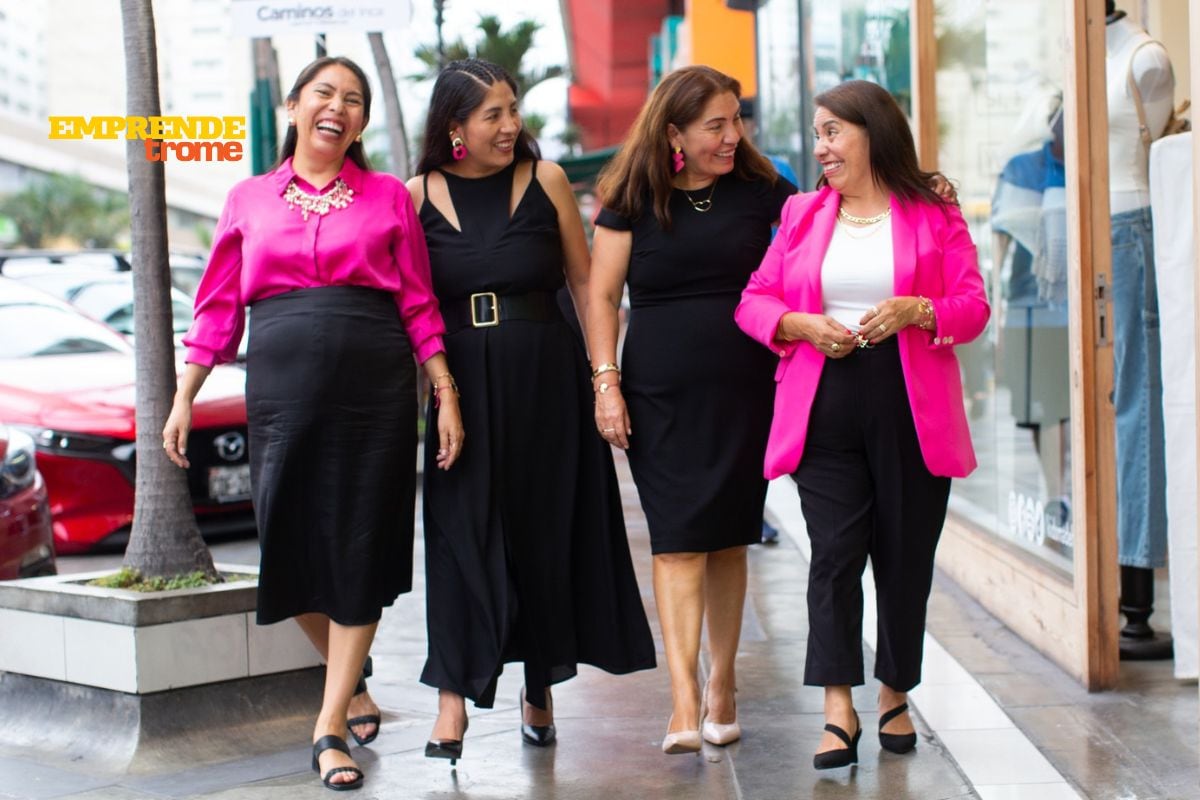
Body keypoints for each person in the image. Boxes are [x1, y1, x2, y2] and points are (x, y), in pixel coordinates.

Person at [163, 56, 463, 792]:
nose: (339, 107)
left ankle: (327, 728)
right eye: (325, 93)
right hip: (282, 389)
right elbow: (217, 310)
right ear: (294, 106)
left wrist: (444, 390)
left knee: (361, 546)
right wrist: (184, 395)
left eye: (354, 100)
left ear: (362, 121)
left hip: (375, 391)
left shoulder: (388, 197)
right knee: (290, 555)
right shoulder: (248, 200)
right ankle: (350, 676)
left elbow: (419, 304)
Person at [407, 58, 655, 765]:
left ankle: (540, 683)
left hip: (547, 380)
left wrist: (604, 377)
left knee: (542, 535)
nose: (512, 125)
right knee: (458, 538)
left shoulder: (544, 181)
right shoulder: (414, 194)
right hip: (460, 390)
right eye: (494, 114)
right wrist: (438, 388)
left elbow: (586, 283)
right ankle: (452, 698)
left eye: (513, 109)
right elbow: (415, 303)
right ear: (454, 127)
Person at [735, 80, 989, 769]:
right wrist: (798, 323)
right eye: (817, 134)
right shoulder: (800, 213)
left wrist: (919, 311)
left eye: (832, 132)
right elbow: (754, 302)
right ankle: (837, 706)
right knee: (836, 554)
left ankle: (895, 693)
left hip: (911, 401)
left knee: (904, 558)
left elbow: (972, 306)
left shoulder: (932, 208)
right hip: (824, 399)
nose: (821, 148)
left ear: (872, 133)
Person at [588, 65, 797, 755]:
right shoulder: (631, 197)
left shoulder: (760, 189)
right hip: (659, 394)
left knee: (729, 536)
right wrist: (606, 383)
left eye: (736, 120)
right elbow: (600, 297)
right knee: (677, 542)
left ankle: (723, 684)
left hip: (746, 389)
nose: (732, 135)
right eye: (716, 125)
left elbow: (830, 218)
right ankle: (682, 696)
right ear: (674, 131)